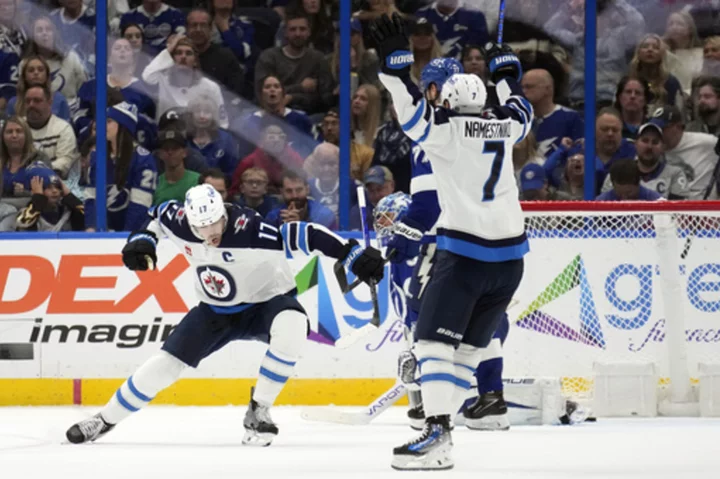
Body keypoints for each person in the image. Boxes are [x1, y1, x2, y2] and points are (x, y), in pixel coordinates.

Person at [65, 183, 385, 446]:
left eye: (215, 223)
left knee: (293, 325)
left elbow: (308, 235)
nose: (209, 233)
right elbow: (156, 218)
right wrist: (144, 239)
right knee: (165, 365)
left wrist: (350, 252)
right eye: (201, 227)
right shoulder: (179, 220)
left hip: (265, 304)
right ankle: (104, 419)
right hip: (214, 311)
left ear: (224, 212)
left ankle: (258, 411)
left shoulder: (252, 229)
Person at [371, 13, 532, 470]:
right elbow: (521, 107)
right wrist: (505, 75)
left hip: (466, 257)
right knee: (464, 351)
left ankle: (437, 433)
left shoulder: (444, 134)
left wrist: (394, 69)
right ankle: (452, 423)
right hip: (511, 261)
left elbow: (409, 111)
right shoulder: (506, 126)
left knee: (432, 344)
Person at [84, 102, 158, 232]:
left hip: (132, 234)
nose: (102, 125)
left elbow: (139, 206)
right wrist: (92, 227)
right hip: (103, 233)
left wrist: (125, 236)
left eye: (109, 121)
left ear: (123, 125)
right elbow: (91, 197)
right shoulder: (97, 156)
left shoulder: (143, 159)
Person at [600, 122, 689, 200]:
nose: (649, 146)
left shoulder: (675, 174)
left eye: (655, 142)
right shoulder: (618, 172)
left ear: (663, 147)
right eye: (645, 140)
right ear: (635, 144)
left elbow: (678, 212)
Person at [15, 165, 84, 231]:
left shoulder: (67, 210)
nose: (55, 191)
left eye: (58, 187)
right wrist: (38, 197)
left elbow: (86, 216)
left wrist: (68, 195)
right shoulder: (28, 211)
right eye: (48, 187)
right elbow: (23, 224)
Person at [264, 170, 336, 229]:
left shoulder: (324, 215)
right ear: (281, 192)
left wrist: (299, 226)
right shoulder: (273, 217)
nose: (294, 196)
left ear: (307, 189)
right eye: (289, 191)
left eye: (299, 190)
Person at [596, 158, 663, 201]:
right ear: (613, 185)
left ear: (638, 183)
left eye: (629, 193)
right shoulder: (602, 201)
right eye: (619, 193)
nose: (624, 199)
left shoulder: (655, 200)